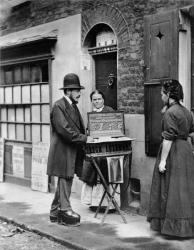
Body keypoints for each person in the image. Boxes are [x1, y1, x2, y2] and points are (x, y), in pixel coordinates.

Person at [147, 79, 194, 237]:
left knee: (171, 188)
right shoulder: (187, 111)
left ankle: (174, 228)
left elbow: (168, 138)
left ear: (168, 95)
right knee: (185, 189)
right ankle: (187, 226)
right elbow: (191, 133)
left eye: (162, 93)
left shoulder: (170, 113)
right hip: (186, 151)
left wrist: (162, 161)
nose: (161, 96)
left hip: (173, 151)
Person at [47, 73, 88, 227]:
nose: (79, 93)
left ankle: (54, 212)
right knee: (65, 178)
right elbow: (64, 130)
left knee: (66, 178)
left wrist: (84, 136)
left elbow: (76, 128)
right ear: (69, 91)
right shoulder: (59, 106)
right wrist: (84, 138)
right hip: (63, 150)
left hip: (71, 149)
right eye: (77, 90)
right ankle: (65, 210)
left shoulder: (72, 106)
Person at [81, 90, 115, 209]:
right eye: (94, 100)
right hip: (95, 147)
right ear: (91, 101)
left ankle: (108, 205)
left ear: (103, 100)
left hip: (108, 148)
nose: (97, 102)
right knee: (92, 173)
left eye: (99, 99)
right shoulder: (90, 114)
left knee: (106, 174)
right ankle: (95, 204)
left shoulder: (109, 111)